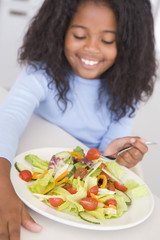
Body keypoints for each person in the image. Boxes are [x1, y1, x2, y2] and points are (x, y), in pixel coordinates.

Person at [0, 0, 156, 239]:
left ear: (127, 44)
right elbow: (9, 117)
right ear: (59, 30)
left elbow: (103, 159)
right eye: (79, 35)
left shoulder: (127, 89)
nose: (92, 48)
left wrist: (112, 155)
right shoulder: (40, 73)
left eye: (107, 40)